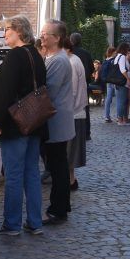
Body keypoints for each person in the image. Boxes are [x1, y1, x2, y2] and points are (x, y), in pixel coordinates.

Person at [0, 15, 48, 236]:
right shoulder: (35, 54)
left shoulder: (15, 56)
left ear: (19, 32)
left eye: (7, 30)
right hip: (35, 121)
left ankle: (12, 224)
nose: (5, 34)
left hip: (16, 123)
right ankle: (35, 222)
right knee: (31, 173)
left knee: (14, 174)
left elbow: (5, 93)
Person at [40, 19, 76, 223]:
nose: (42, 36)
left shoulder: (59, 60)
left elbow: (49, 91)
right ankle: (61, 206)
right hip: (57, 119)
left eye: (47, 33)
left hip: (56, 121)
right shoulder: (54, 57)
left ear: (58, 38)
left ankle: (58, 208)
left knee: (58, 166)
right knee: (57, 165)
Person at [66, 38, 88, 191]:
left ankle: (70, 181)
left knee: (69, 153)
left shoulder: (72, 62)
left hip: (72, 114)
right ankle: (70, 180)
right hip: (74, 113)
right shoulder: (73, 60)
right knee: (69, 154)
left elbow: (72, 92)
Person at [70, 32, 94, 140]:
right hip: (85, 83)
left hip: (72, 83)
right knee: (84, 107)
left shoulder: (69, 54)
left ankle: (72, 131)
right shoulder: (86, 53)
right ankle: (86, 132)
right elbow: (92, 69)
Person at [111, 42, 130, 125]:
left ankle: (121, 119)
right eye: (127, 49)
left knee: (121, 100)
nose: (128, 50)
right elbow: (123, 70)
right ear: (124, 49)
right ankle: (120, 120)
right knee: (122, 101)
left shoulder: (117, 56)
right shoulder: (122, 57)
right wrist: (128, 79)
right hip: (122, 82)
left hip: (118, 82)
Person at [101, 46, 117, 122]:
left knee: (108, 99)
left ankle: (107, 116)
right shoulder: (113, 60)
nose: (116, 53)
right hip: (114, 81)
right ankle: (118, 117)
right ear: (112, 52)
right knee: (118, 99)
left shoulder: (105, 60)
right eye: (115, 52)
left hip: (108, 81)